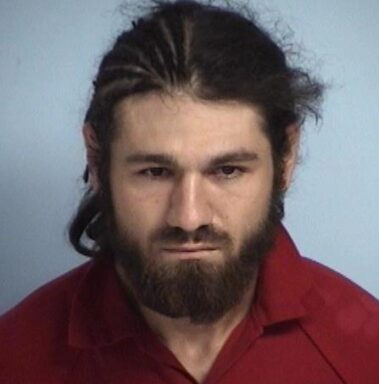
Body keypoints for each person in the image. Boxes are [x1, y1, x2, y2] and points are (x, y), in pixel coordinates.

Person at [1, 1, 378, 382]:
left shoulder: (367, 353)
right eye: (155, 172)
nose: (189, 216)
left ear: (285, 159)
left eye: (228, 170)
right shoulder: (13, 357)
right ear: (97, 161)